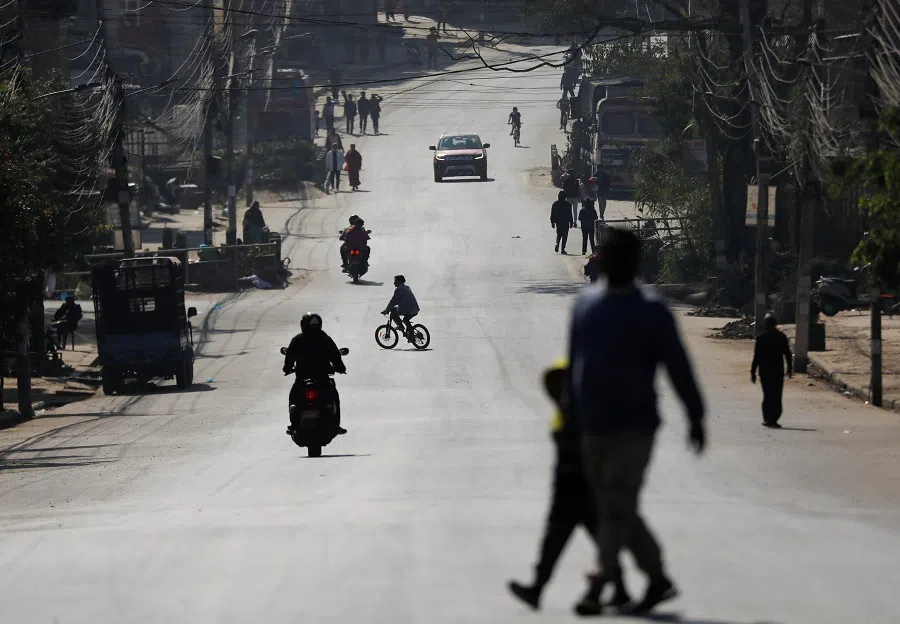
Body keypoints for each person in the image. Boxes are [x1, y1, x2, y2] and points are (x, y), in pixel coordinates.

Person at [568, 227, 706, 616]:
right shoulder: (585, 306)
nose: (615, 262)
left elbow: (678, 366)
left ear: (633, 262)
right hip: (593, 425)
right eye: (609, 255)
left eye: (622, 256)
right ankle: (657, 577)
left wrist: (695, 416)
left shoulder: (651, 310)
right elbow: (574, 365)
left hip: (636, 425)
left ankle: (598, 581)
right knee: (615, 504)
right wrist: (569, 418)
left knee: (615, 500)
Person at [507, 358, 631, 612]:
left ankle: (539, 588)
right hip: (576, 483)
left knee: (561, 537)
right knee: (590, 537)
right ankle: (619, 590)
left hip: (578, 484)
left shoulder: (586, 410)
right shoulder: (570, 409)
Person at [283, 312, 347, 435]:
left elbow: (289, 358)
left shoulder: (298, 339)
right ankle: (335, 425)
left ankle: (294, 424)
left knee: (294, 397)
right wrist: (340, 367)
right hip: (321, 378)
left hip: (304, 378)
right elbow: (335, 356)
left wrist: (287, 368)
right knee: (333, 396)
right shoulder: (324, 338)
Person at [751, 313, 793, 428]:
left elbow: (756, 357)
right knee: (776, 395)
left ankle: (768, 418)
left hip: (765, 370)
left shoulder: (761, 338)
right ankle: (773, 419)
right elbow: (787, 354)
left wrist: (753, 372)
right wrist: (789, 368)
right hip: (777, 370)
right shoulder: (781, 337)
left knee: (768, 395)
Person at [381, 275, 420, 340]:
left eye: (395, 281)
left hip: (409, 309)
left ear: (400, 281)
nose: (394, 283)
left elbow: (393, 301)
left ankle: (401, 327)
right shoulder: (406, 287)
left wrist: (387, 310)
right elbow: (398, 300)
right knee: (405, 319)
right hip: (415, 308)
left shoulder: (399, 289)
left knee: (393, 312)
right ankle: (410, 333)